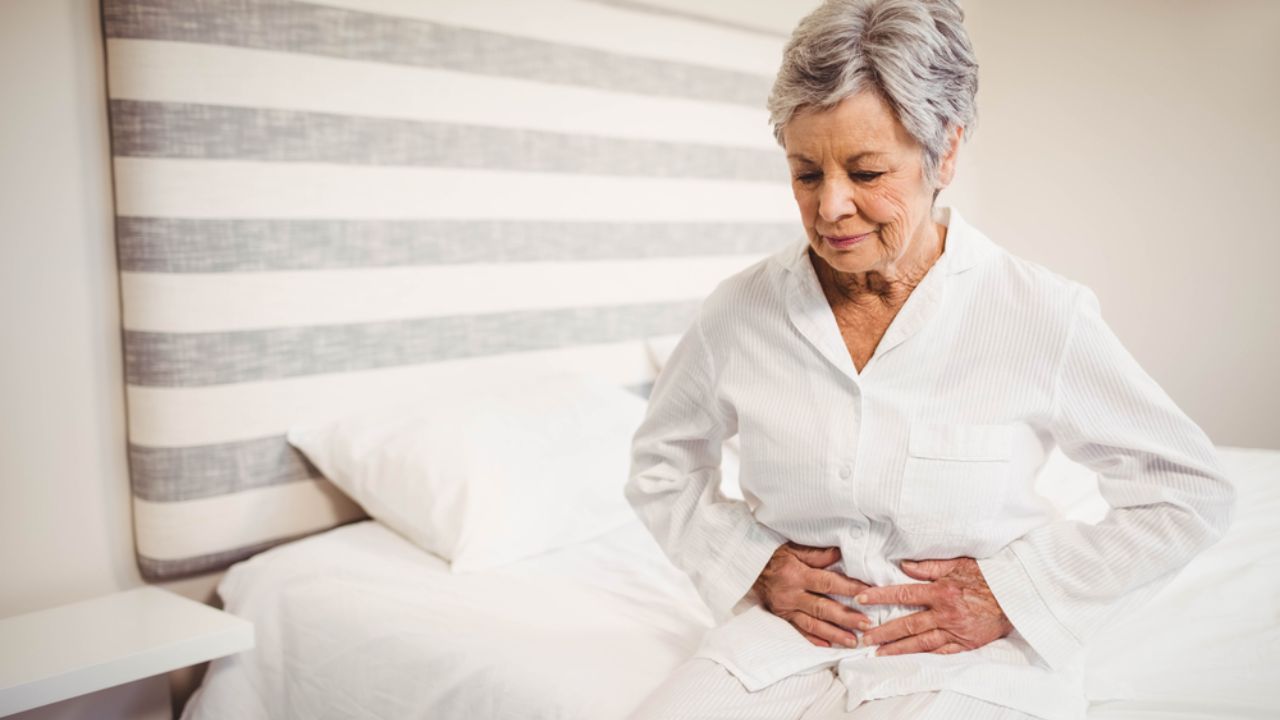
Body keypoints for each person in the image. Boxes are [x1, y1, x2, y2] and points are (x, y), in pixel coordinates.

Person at [623, 0, 1236, 718]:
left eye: (866, 172)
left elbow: (1187, 490)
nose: (831, 207)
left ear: (944, 152)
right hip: (782, 643)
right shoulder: (740, 311)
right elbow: (663, 466)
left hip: (968, 659)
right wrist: (751, 564)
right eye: (806, 174)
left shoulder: (1038, 311)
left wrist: (1014, 593)